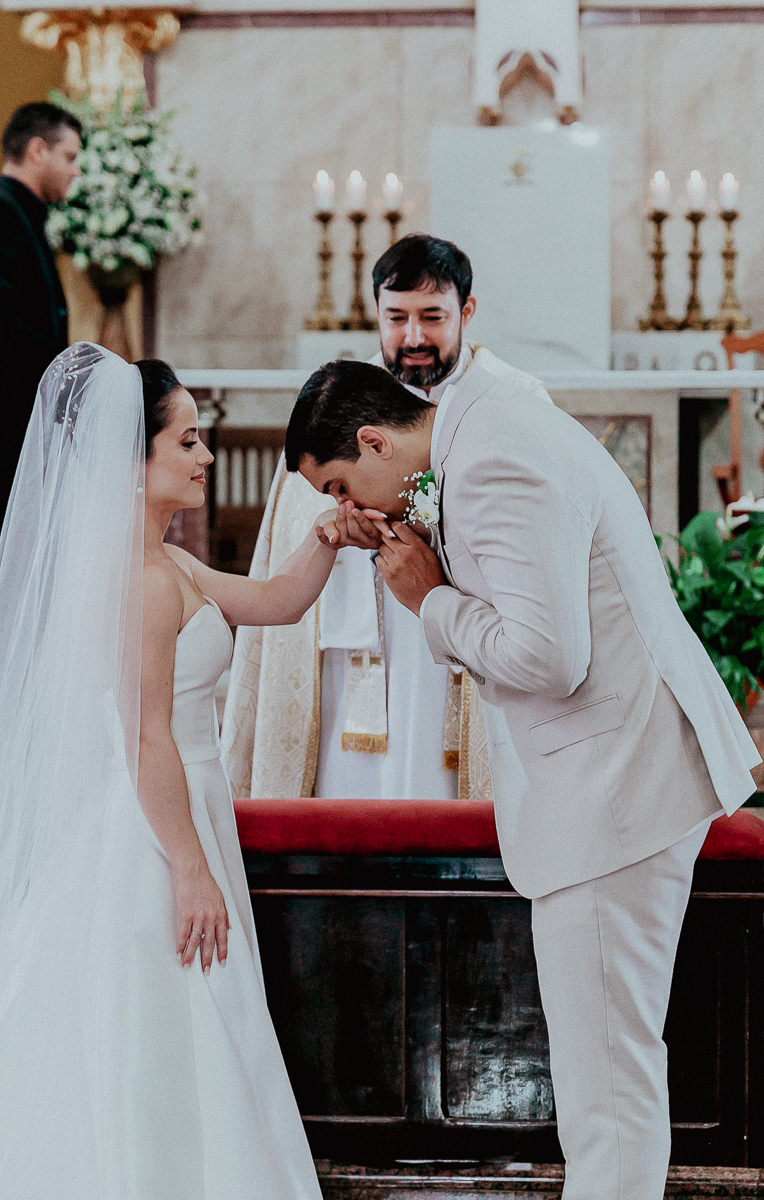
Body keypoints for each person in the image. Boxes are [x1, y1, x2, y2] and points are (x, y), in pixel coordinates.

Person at [284, 357, 763, 1200]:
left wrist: (429, 600)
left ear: (371, 440)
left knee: (606, 1096)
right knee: (607, 1084)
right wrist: (427, 553)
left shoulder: (491, 459)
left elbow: (548, 656)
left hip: (615, 790)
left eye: (338, 484)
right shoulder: (483, 428)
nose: (344, 509)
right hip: (619, 777)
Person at [0, 342, 377, 1199]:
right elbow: (145, 739)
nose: (207, 456)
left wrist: (328, 536)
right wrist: (189, 870)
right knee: (171, 1018)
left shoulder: (171, 564)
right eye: (186, 442)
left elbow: (274, 602)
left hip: (189, 809)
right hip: (160, 826)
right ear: (133, 458)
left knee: (202, 1015)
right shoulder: (144, 587)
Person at [223, 233, 550, 799]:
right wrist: (334, 525)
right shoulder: (334, 404)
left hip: (459, 635)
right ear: (376, 311)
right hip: (349, 649)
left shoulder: (512, 401)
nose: (414, 337)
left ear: (465, 312)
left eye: (432, 317)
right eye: (396, 317)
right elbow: (300, 511)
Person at [0, 101, 81, 685]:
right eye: (69, 156)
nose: (74, 171)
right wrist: (63, 370)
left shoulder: (21, 215)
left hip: (15, 430)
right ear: (37, 151)